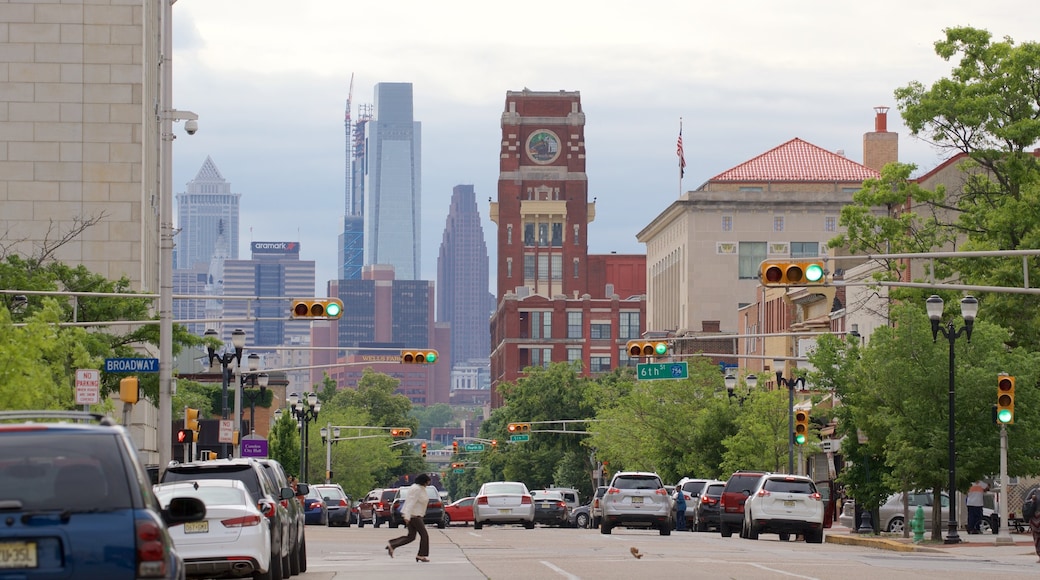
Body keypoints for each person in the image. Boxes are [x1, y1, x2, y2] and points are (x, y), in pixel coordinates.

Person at [386, 473, 431, 562]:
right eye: (428, 482)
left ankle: (392, 545)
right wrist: (407, 515)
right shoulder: (417, 489)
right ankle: (421, 555)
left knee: (411, 536)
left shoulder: (419, 488)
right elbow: (410, 502)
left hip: (414, 515)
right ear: (424, 481)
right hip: (414, 516)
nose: (428, 484)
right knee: (424, 535)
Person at [1027, 489, 1040, 563]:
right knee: (1037, 538)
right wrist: (1033, 500)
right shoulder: (1035, 491)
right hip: (1036, 519)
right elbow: (1026, 502)